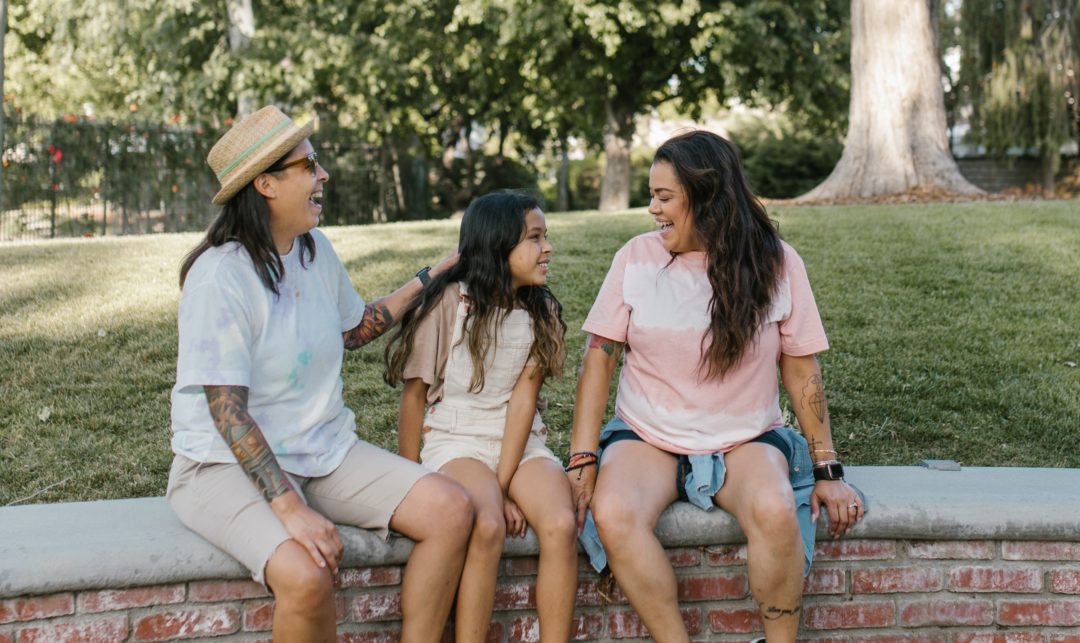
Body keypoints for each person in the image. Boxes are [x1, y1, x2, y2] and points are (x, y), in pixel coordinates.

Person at [167, 105, 472, 643]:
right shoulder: (220, 277)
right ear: (265, 183)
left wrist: (434, 275)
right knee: (307, 578)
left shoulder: (314, 250)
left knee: (450, 510)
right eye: (308, 165)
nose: (322, 174)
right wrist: (290, 508)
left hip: (323, 450)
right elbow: (226, 410)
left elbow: (352, 329)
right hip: (220, 467)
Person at [568, 130, 864, 643]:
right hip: (647, 435)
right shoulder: (635, 258)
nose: (652, 210)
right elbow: (599, 359)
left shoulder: (777, 261)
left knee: (775, 509)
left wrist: (828, 470)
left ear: (707, 198)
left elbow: (802, 371)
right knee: (614, 513)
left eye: (664, 197)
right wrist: (581, 458)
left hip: (744, 437)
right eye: (652, 196)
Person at [384, 192, 579, 643]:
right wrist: (413, 477)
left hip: (520, 442)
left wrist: (507, 483)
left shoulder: (541, 310)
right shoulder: (450, 303)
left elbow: (522, 405)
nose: (547, 247)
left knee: (561, 523)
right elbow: (414, 399)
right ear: (498, 244)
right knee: (489, 523)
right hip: (456, 439)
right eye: (535, 237)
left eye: (545, 236)